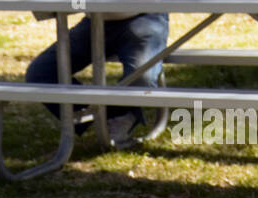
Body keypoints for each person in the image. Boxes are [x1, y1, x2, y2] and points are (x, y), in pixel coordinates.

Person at [26, 11, 170, 150]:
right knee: (39, 74)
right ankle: (110, 116)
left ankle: (118, 115)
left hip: (145, 16)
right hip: (95, 21)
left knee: (142, 81)